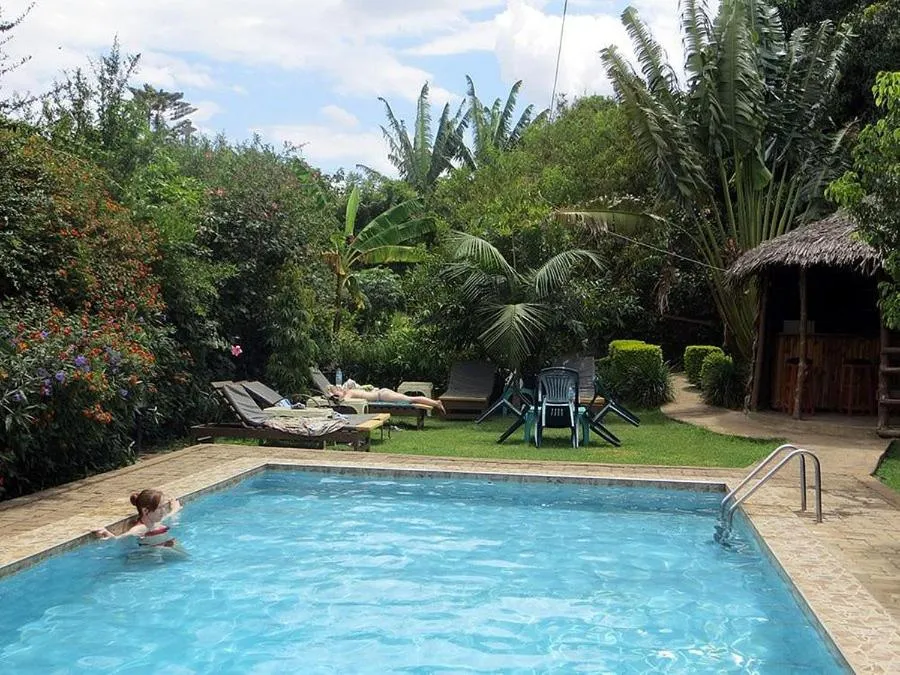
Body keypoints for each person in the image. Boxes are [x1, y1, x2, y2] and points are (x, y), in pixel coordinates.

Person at [94, 488, 184, 551]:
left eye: (163, 507)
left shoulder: (155, 523)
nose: (163, 510)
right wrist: (108, 534)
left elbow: (167, 517)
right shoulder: (141, 529)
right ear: (145, 510)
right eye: (159, 508)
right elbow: (119, 540)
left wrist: (175, 509)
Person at [326, 379, 446, 414]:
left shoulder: (348, 393)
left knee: (411, 399)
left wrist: (333, 396)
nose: (337, 395)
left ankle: (436, 403)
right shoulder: (348, 391)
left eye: (337, 393)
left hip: (382, 396)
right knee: (410, 399)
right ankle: (435, 403)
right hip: (382, 393)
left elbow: (344, 400)